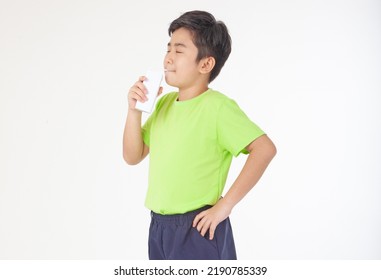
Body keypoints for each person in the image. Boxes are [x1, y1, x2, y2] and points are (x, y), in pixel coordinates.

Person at [123, 10, 276, 260]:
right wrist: (134, 111)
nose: (168, 58)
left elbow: (265, 149)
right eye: (168, 48)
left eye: (179, 50)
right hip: (160, 227)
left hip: (198, 228)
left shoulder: (218, 107)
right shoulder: (164, 104)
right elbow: (133, 155)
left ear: (205, 64)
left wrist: (225, 206)